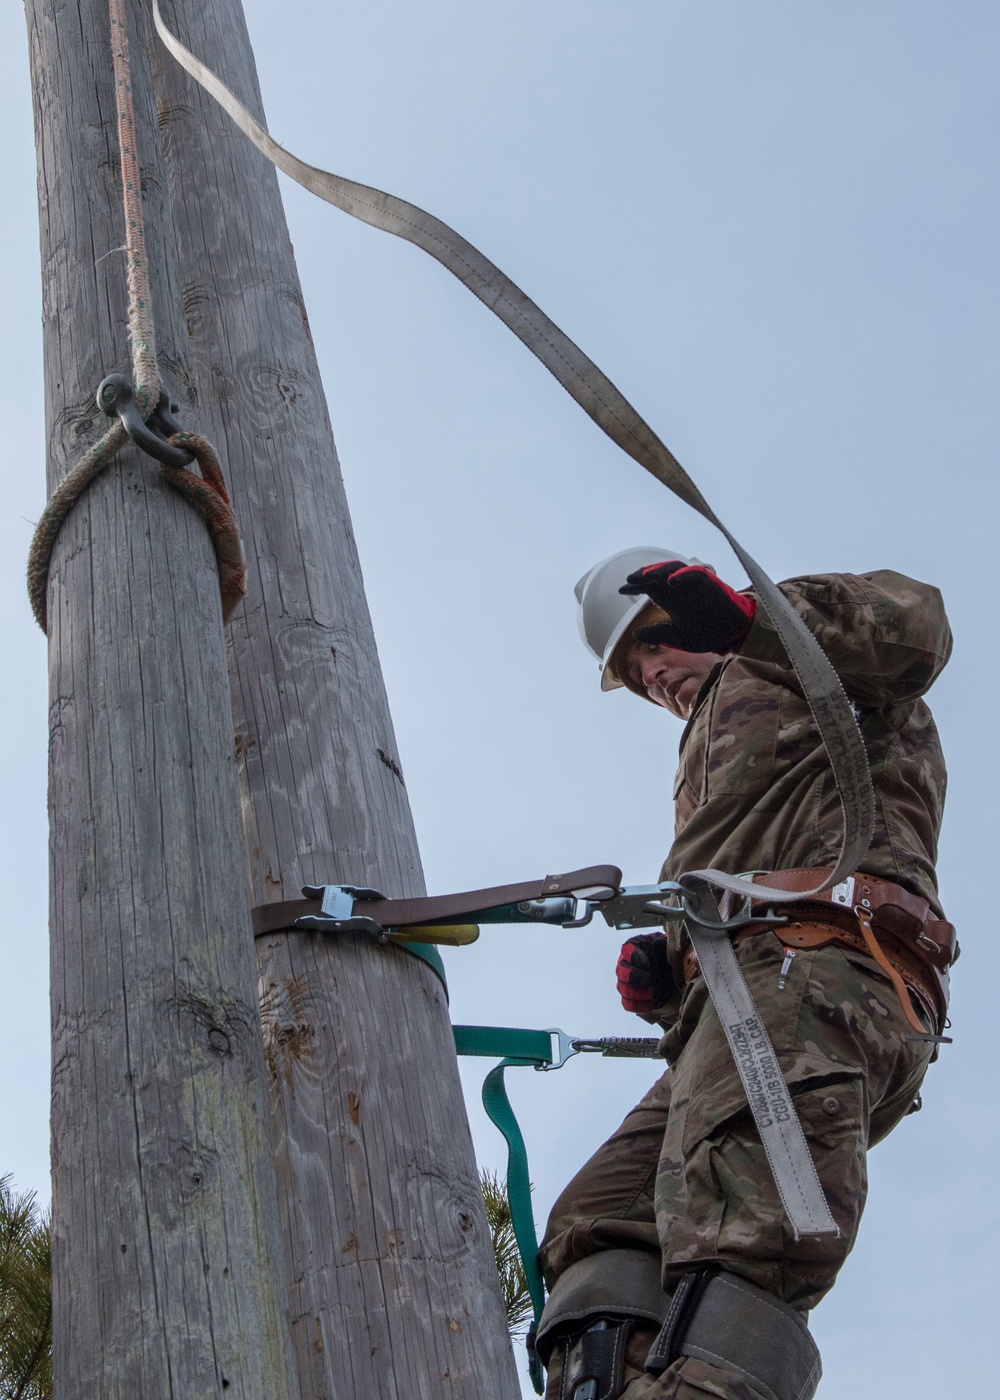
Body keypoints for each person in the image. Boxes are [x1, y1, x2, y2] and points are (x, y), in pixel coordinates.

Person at [534, 548, 955, 1400]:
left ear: (690, 613)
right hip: (735, 1001)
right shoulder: (708, 754)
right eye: (632, 671)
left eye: (651, 646)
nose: (651, 676)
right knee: (598, 1221)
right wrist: (677, 965)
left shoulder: (813, 670)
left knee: (745, 1238)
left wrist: (753, 618)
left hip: (820, 969)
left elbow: (916, 631)